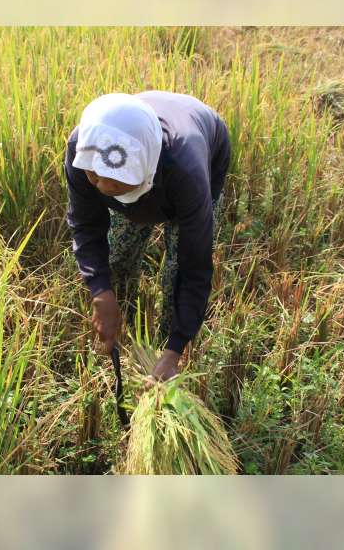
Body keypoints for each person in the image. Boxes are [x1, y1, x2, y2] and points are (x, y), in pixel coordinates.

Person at [64, 91, 231, 381]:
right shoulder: (86, 150)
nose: (102, 187)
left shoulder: (188, 173)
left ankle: (167, 356)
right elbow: (86, 225)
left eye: (115, 183)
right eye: (95, 177)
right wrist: (100, 291)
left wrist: (176, 347)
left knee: (176, 271)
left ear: (144, 171)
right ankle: (120, 323)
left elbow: (195, 266)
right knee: (117, 258)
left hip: (194, 156)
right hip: (145, 168)